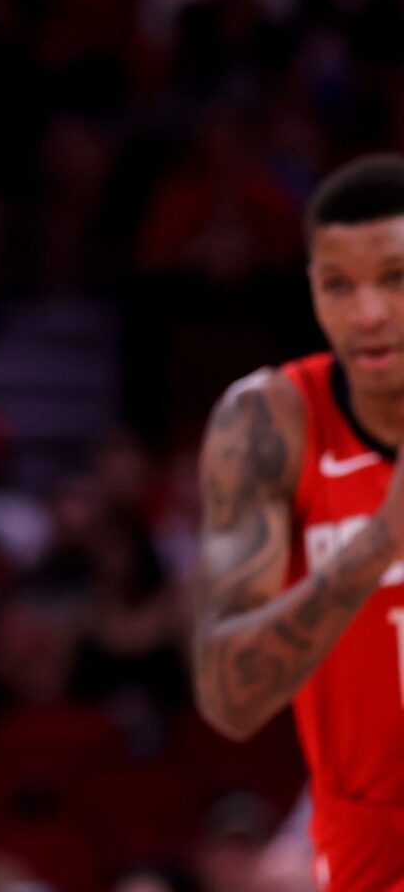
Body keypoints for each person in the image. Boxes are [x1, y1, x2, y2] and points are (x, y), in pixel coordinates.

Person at [192, 153, 404, 890]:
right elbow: (229, 697)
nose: (368, 312)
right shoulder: (269, 422)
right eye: (340, 285)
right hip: (365, 852)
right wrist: (378, 543)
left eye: (394, 278)